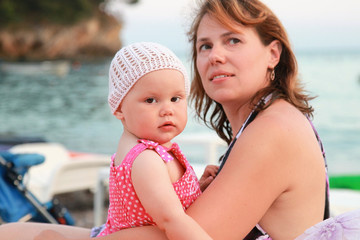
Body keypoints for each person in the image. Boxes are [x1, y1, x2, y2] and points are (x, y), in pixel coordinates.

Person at [5, 0, 359, 239]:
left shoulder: (274, 129)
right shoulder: (265, 119)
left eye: (232, 40)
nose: (215, 55)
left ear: (273, 53)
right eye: (204, 46)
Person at [0, 42, 216, 240]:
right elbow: (171, 219)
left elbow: (160, 200)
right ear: (119, 108)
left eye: (176, 98)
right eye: (151, 100)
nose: (167, 110)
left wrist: (197, 189)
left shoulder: (155, 149)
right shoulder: (146, 159)